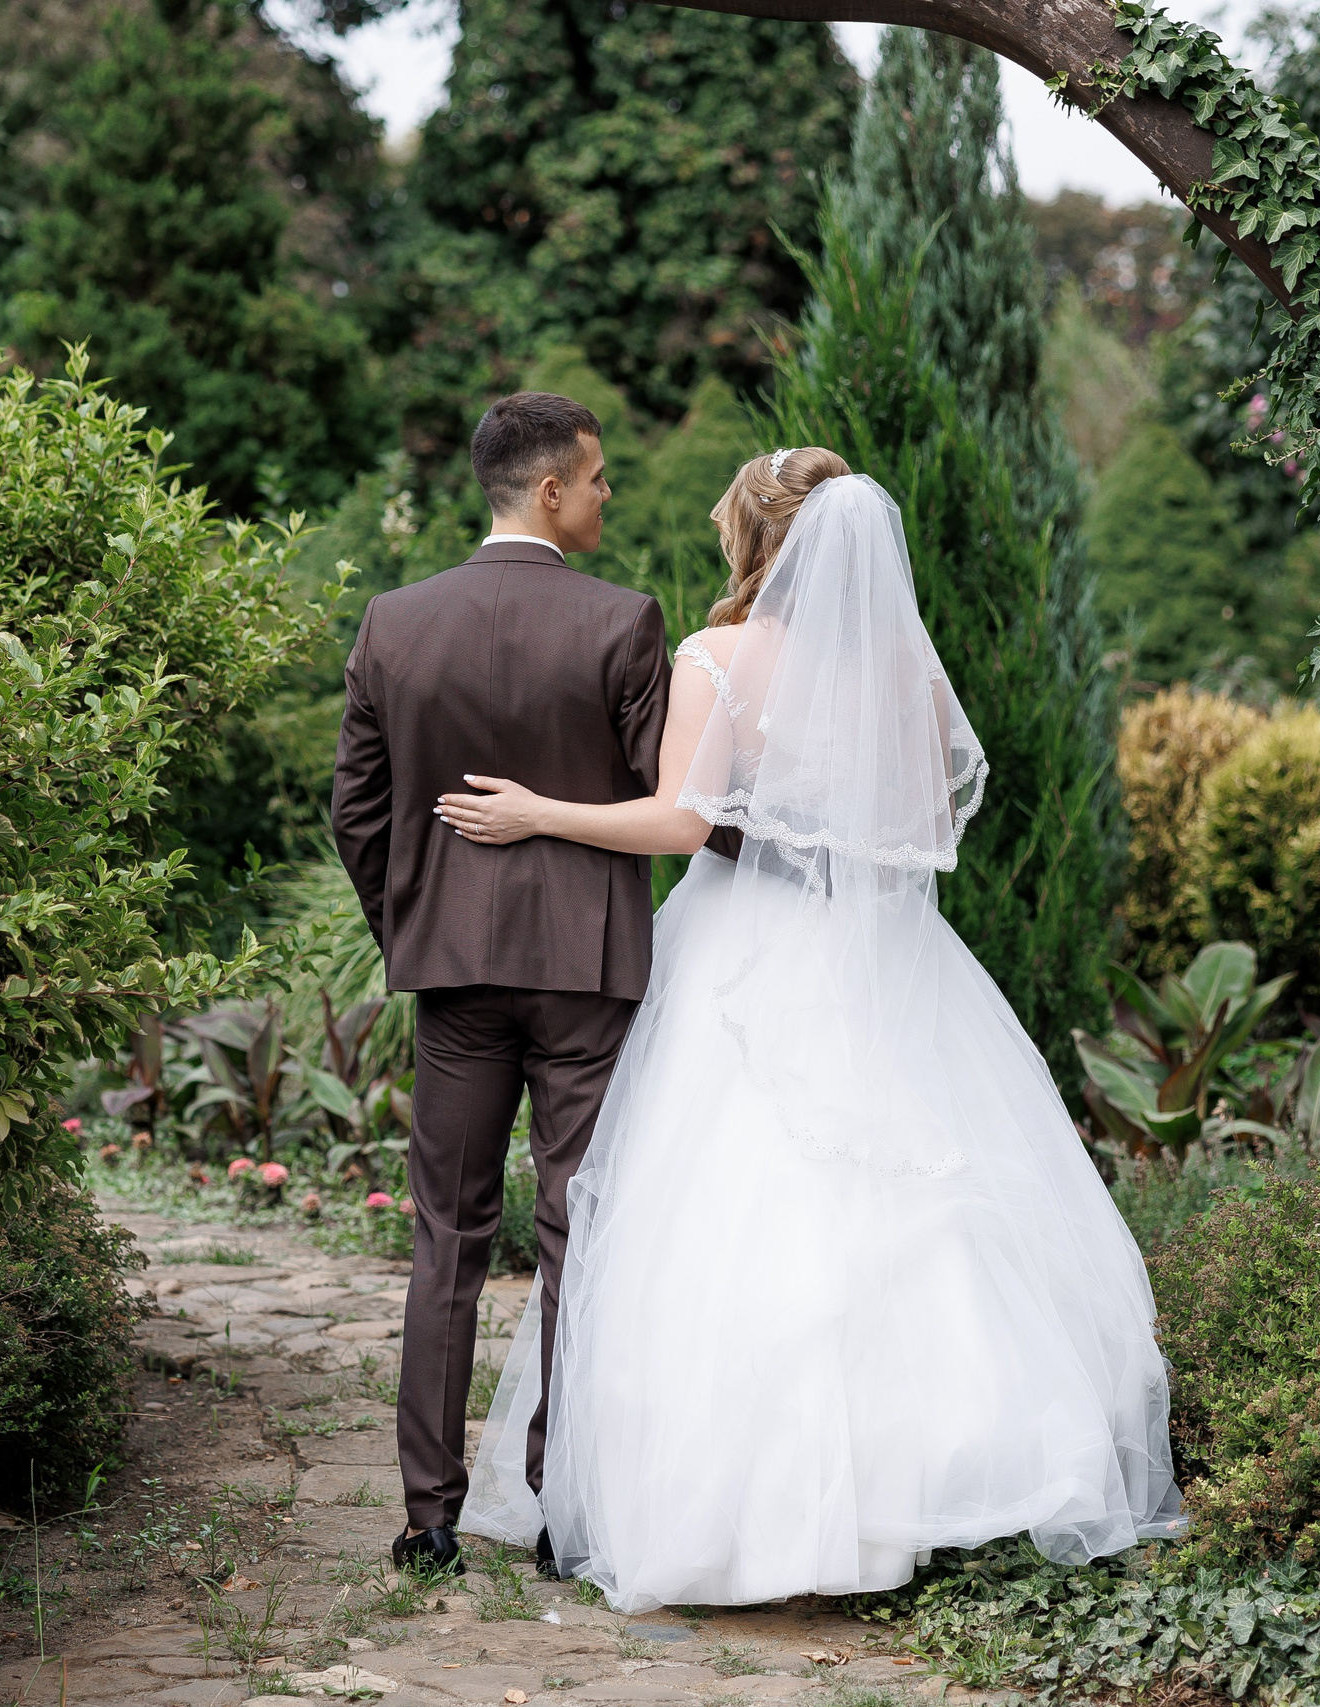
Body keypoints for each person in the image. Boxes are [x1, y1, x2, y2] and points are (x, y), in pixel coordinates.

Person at [439, 450, 1182, 1610]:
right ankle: (918, 1496)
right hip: (884, 958)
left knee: (720, 1213)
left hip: (748, 942)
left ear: (754, 537)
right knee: (910, 1208)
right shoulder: (904, 671)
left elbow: (683, 822)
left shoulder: (717, 657)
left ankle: (735, 1518)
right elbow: (929, 823)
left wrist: (540, 813)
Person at [331, 391, 671, 1579]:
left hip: (455, 978)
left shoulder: (393, 622)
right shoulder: (626, 624)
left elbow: (356, 815)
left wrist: (415, 923)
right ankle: (555, 1508)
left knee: (446, 1240)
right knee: (581, 1234)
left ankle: (428, 1517)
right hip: (586, 976)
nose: (605, 495)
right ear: (548, 491)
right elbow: (654, 804)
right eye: (596, 478)